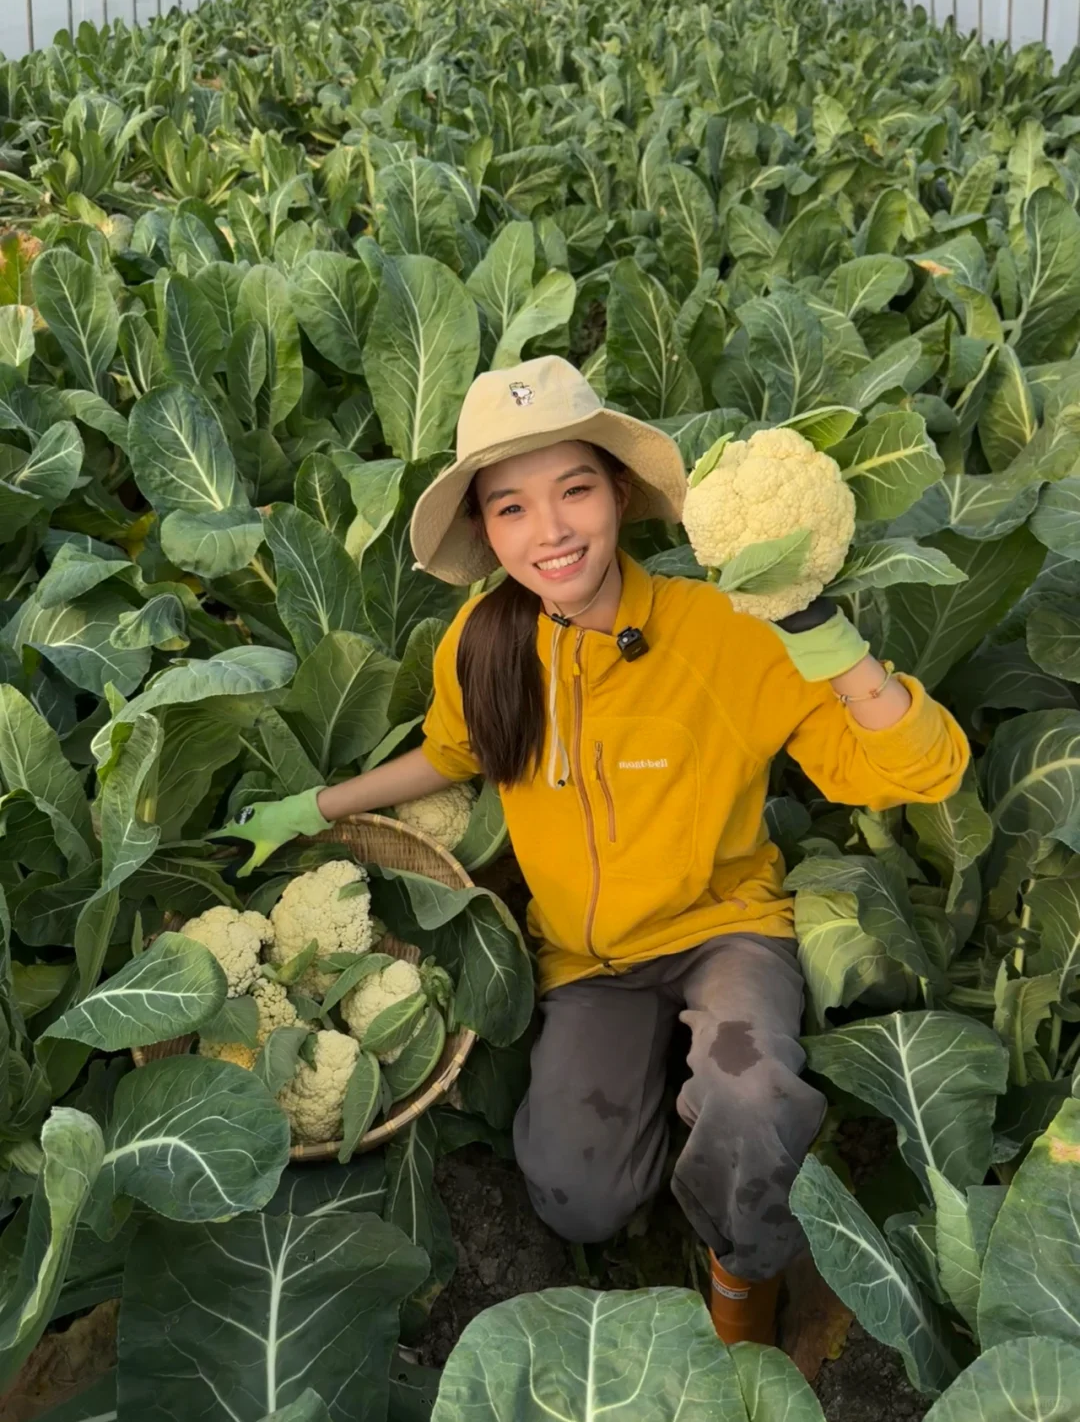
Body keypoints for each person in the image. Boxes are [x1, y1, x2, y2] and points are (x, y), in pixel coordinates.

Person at [216, 355, 969, 1345]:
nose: (551, 531)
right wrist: (313, 803)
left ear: (619, 492)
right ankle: (670, 1124)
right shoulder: (482, 643)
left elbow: (917, 770)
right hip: (587, 958)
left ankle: (744, 1271)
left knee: (750, 1092)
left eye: (575, 490)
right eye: (512, 507)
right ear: (485, 529)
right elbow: (451, 753)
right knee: (577, 1199)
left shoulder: (728, 631)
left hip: (723, 926)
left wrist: (819, 627)